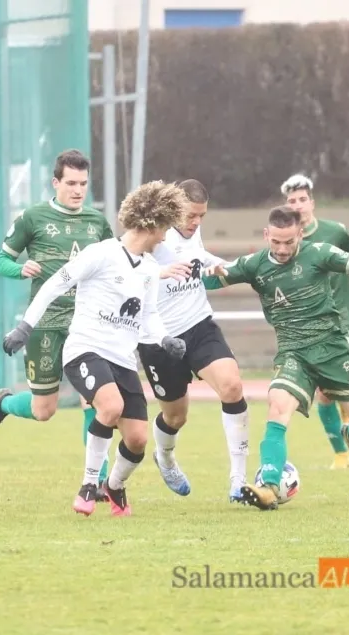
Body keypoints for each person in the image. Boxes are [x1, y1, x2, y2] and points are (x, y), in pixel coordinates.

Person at [202, 206, 349, 511]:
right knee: (277, 404)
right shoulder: (253, 264)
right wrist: (210, 273)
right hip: (293, 352)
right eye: (276, 242)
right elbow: (209, 282)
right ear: (266, 235)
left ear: (300, 233)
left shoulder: (320, 253)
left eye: (289, 241)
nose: (282, 249)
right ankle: (269, 486)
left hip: (332, 350)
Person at [0, 181, 189, 517]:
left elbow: (149, 317)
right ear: (152, 223)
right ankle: (88, 484)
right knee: (110, 406)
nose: (164, 238)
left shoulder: (147, 269)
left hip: (122, 360)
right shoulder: (101, 253)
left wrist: (164, 340)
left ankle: (113, 487)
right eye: (164, 230)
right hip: (85, 350)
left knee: (137, 440)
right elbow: (53, 285)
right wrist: (25, 327)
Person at [0, 149, 113, 501]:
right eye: (70, 183)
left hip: (86, 326)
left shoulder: (97, 222)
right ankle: (6, 404)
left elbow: (113, 267)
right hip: (44, 325)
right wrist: (19, 268)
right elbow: (0, 262)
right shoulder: (32, 218)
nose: (77, 190)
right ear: (55, 182)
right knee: (44, 411)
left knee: (95, 402)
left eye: (83, 184)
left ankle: (97, 481)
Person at [138, 179, 251, 503]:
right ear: (173, 209)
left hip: (198, 324)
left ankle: (238, 480)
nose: (195, 222)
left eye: (202, 216)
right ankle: (166, 458)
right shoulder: (152, 233)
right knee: (176, 416)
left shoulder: (193, 229)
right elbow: (127, 269)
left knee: (231, 386)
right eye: (190, 216)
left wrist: (217, 264)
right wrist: (159, 272)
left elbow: (194, 253)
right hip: (160, 337)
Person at [280, 174, 349, 470]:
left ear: (311, 202)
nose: (297, 205)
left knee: (326, 391)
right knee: (325, 395)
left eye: (301, 199)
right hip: (308, 323)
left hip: (341, 318)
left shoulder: (335, 232)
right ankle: (342, 450)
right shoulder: (286, 240)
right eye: (291, 201)